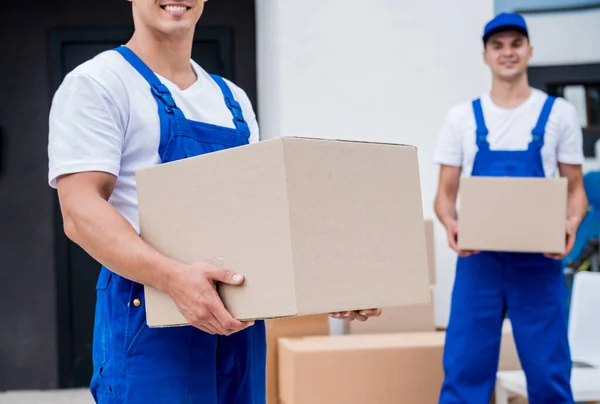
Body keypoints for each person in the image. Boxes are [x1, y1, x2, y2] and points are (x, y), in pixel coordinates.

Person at [47, 1, 381, 403]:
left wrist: (331, 284)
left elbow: (262, 217)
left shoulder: (232, 101)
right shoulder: (99, 83)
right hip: (151, 318)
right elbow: (79, 212)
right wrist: (175, 279)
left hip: (239, 318)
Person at [433, 12, 588, 404]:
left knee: (549, 371)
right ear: (485, 55)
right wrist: (451, 225)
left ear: (529, 51)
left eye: (516, 44)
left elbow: (576, 190)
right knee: (465, 369)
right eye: (497, 45)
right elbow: (445, 195)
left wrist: (570, 226)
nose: (507, 53)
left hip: (539, 261)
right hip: (479, 260)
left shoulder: (558, 114)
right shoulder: (462, 117)